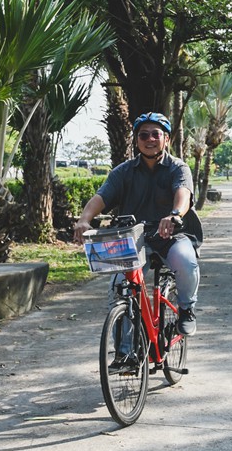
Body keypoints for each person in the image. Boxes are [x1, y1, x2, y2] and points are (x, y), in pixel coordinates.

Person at [74, 111, 200, 339]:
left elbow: (183, 194)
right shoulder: (123, 172)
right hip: (133, 239)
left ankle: (186, 309)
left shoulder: (178, 168)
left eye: (155, 134)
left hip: (171, 235)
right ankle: (124, 351)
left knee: (185, 261)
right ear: (136, 140)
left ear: (166, 139)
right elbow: (101, 197)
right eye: (143, 135)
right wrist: (84, 219)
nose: (149, 139)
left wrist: (174, 215)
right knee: (119, 290)